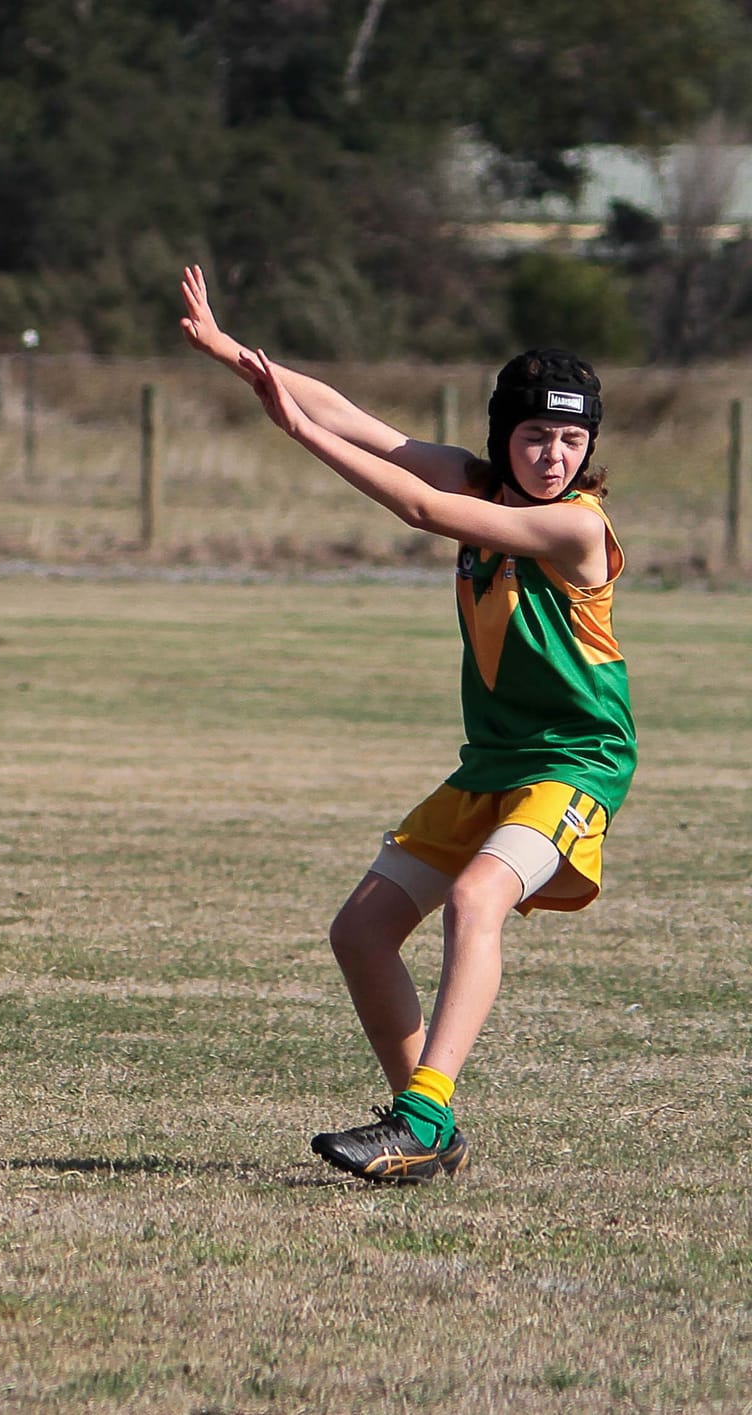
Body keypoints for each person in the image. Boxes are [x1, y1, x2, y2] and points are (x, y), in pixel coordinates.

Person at [179, 265, 636, 1183]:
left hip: (576, 761)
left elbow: (420, 507)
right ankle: (428, 1131)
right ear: (503, 437)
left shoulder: (577, 527)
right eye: (535, 435)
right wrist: (234, 355)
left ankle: (421, 1115)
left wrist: (297, 432)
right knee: (361, 930)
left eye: (570, 439)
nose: (553, 456)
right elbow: (360, 421)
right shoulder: (483, 483)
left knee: (475, 900)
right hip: (492, 762)